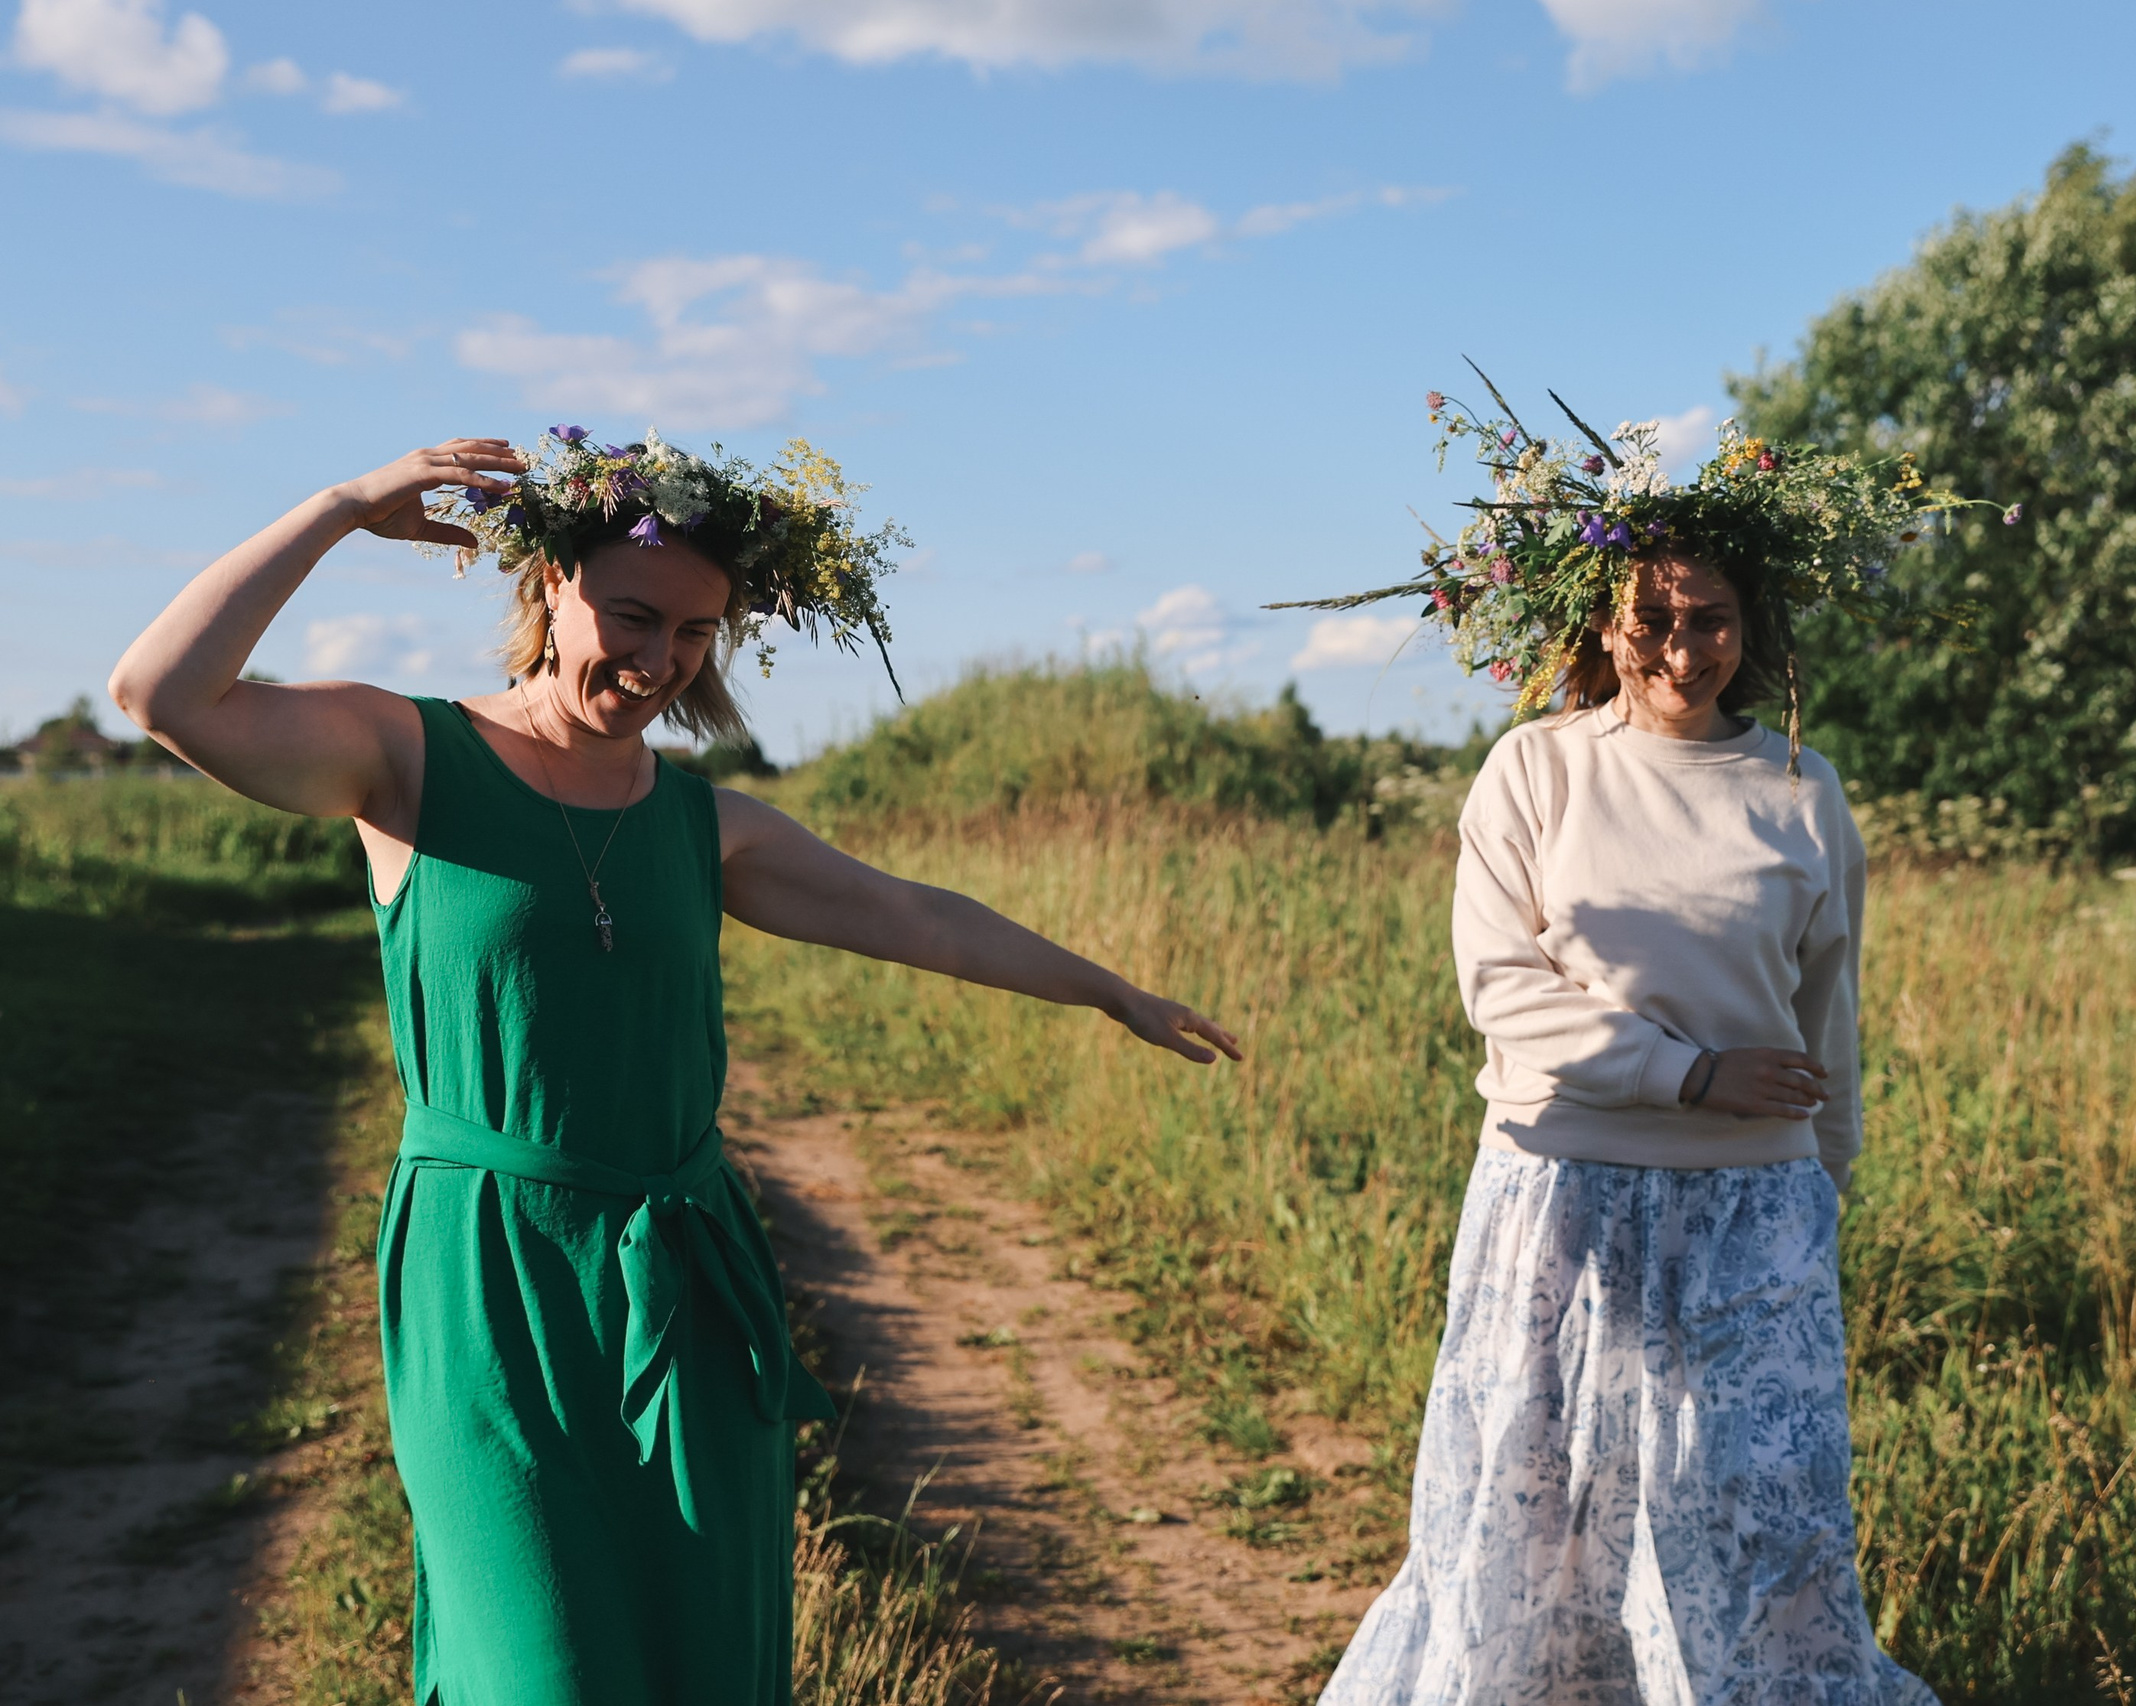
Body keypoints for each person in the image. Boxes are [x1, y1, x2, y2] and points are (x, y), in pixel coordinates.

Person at [110, 430, 1239, 1706]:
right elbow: (161, 692)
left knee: (702, 1655)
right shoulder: (408, 760)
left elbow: (919, 915)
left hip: (681, 1265)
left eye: (696, 633)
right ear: (549, 587)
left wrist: (1109, 989)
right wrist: (340, 506)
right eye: (633, 614)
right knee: (546, 1668)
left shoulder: (707, 821)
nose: (657, 661)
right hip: (492, 1275)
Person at [1285, 389, 1976, 1702]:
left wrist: (1822, 1172)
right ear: (1603, 625)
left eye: (1708, 617)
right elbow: (1503, 987)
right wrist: (1689, 1073)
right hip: (1567, 1198)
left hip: (1758, 1207)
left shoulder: (1800, 786)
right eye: (1651, 617)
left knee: (1768, 1520)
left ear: (1747, 627)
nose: (1680, 645)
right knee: (1545, 1519)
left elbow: (1829, 1002)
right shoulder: (1536, 770)